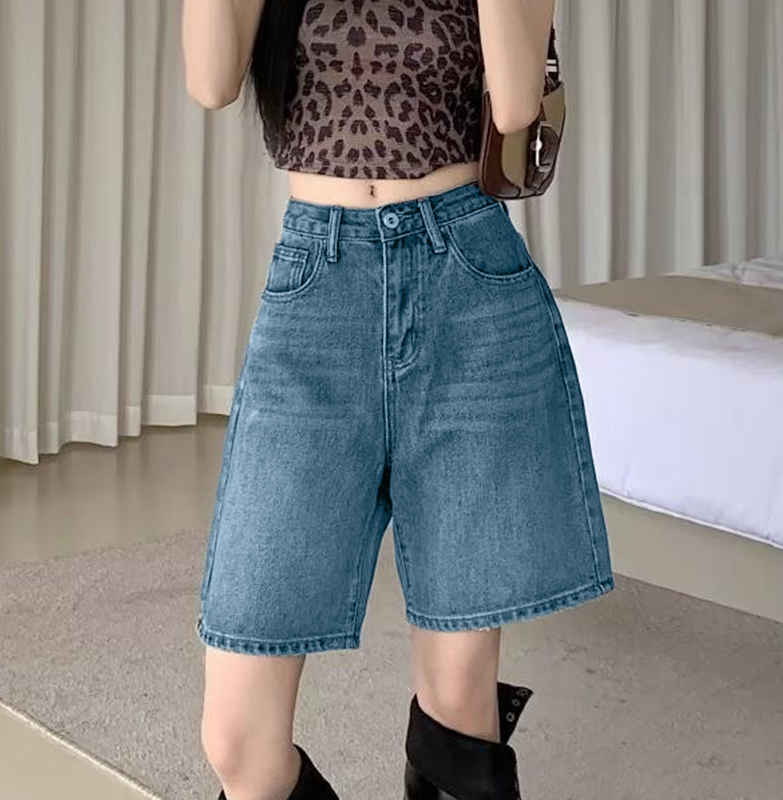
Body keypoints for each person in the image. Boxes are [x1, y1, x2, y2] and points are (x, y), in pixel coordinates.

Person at [182, 2, 614, 799]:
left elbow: (516, 102)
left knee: (459, 706)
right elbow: (210, 81)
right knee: (238, 742)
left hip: (468, 287)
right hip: (318, 288)